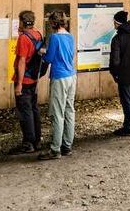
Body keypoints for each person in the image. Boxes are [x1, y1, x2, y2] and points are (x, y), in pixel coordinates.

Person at [38, 11, 76, 160]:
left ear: (53, 23)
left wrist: (41, 52)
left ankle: (55, 149)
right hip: (71, 76)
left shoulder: (54, 37)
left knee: (58, 113)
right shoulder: (70, 36)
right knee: (69, 111)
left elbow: (50, 58)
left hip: (59, 77)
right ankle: (67, 145)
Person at [10, 10, 43, 154]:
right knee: (34, 109)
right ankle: (37, 140)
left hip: (25, 79)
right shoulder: (38, 34)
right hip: (34, 78)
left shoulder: (24, 38)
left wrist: (19, 84)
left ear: (23, 21)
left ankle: (28, 142)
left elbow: (22, 61)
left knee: (25, 111)